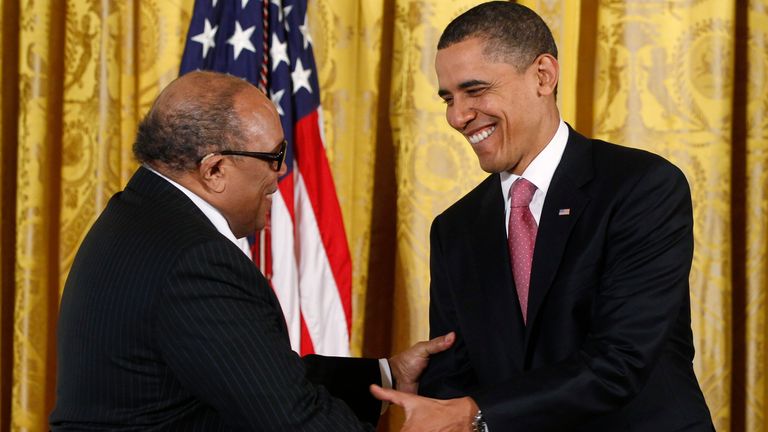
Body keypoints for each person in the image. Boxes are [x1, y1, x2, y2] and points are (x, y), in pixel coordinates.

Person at [370, 2, 714, 431]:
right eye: (449, 98)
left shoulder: (640, 186)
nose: (457, 117)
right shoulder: (455, 229)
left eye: (474, 91)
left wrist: (475, 412)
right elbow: (451, 377)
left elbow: (619, 361)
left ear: (543, 76)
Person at [50, 70, 453, 431]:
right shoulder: (196, 260)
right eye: (274, 157)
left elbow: (251, 371)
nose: (281, 174)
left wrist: (388, 374)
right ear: (214, 170)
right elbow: (293, 419)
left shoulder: (138, 216)